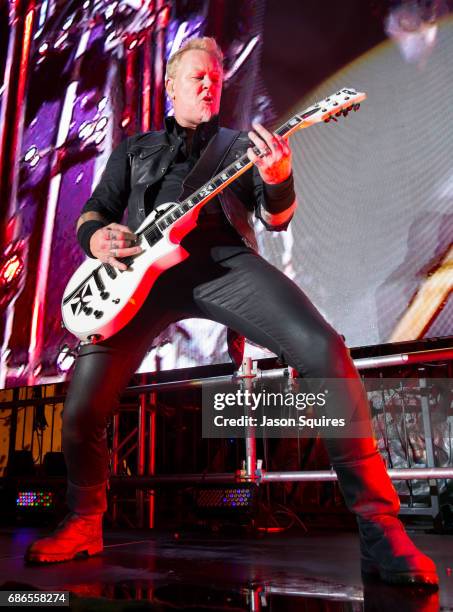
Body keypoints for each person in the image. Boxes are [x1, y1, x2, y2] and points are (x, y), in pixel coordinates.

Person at [26, 37, 438, 588]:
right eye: (197, 77)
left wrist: (276, 178)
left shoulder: (237, 145)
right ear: (170, 85)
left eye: (216, 80)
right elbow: (95, 212)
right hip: (133, 279)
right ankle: (83, 521)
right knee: (81, 405)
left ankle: (378, 527)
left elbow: (278, 218)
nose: (208, 85)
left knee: (323, 349)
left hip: (222, 263)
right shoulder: (134, 149)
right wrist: (100, 238)